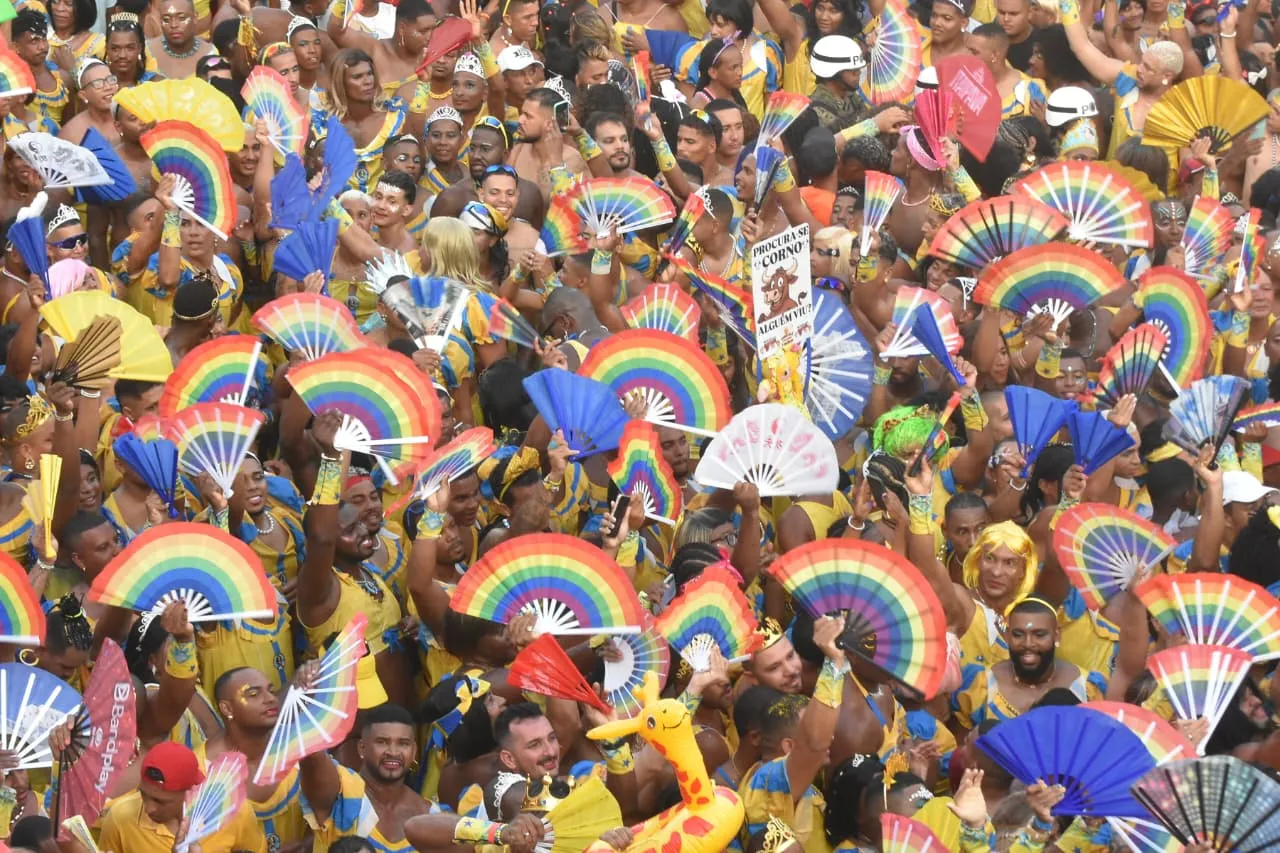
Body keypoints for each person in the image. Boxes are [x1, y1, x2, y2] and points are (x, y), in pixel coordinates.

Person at [98, 742, 267, 853]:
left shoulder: (233, 812)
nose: (149, 808)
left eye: (160, 801)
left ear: (190, 791)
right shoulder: (120, 817)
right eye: (143, 794)